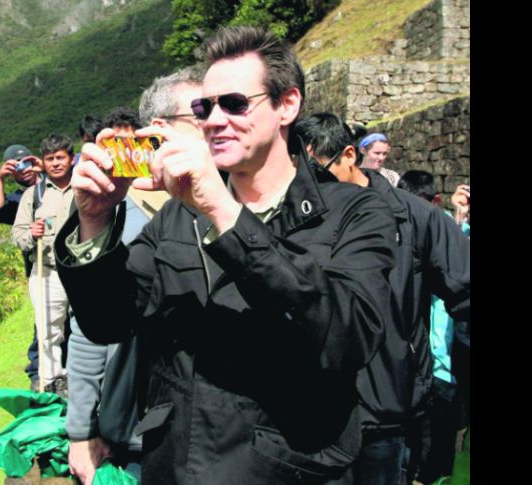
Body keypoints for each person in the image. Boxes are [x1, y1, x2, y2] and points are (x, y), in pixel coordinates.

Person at [55, 26, 398, 484]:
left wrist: (223, 210)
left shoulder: (354, 212)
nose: (214, 120)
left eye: (235, 103)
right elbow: (109, 321)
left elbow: (347, 338)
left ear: (287, 105)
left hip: (284, 470)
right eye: (204, 107)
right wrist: (94, 223)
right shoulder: (178, 217)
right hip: (175, 464)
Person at [293, 113, 470, 485]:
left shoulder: (415, 217)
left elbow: (464, 288)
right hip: (308, 406)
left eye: (319, 172)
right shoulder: (296, 214)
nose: (312, 185)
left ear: (348, 155)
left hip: (386, 402)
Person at [65, 67, 204, 485]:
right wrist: (80, 430)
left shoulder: (224, 205)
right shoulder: (121, 215)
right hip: (141, 430)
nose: (219, 123)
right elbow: (89, 329)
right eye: (203, 113)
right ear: (160, 131)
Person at [396, 171, 470, 484]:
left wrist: (459, 217)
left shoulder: (445, 234)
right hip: (423, 365)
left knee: (434, 454)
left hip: (444, 367)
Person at [12, 133, 76, 395]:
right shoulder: (33, 195)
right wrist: (32, 235)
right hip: (47, 273)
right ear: (43, 162)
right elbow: (18, 235)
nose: (56, 163)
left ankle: (80, 377)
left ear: (71, 159)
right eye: (50, 159)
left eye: (61, 157)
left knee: (85, 327)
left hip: (83, 271)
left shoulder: (84, 185)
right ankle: (53, 381)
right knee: (49, 331)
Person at [0, 144, 43, 391]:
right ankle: (38, 372)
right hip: (40, 267)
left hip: (70, 260)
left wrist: (46, 168)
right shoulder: (18, 201)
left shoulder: (55, 183)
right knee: (44, 320)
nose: (25, 170)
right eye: (18, 167)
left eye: (28, 163)